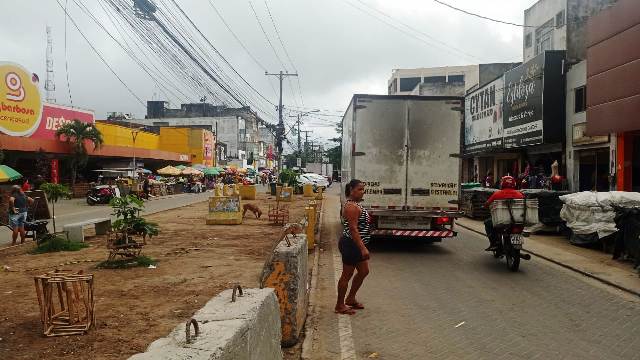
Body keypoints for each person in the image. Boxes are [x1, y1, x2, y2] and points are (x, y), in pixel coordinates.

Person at [335, 179, 371, 315]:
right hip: (351, 244)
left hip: (356, 244)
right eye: (359, 189)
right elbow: (353, 229)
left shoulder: (356, 205)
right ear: (351, 190)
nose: (362, 192)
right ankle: (339, 305)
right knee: (347, 275)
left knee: (364, 271)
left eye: (363, 189)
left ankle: (350, 298)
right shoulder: (351, 207)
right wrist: (362, 248)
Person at [483, 176, 524, 251]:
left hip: (501, 220)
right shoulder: (520, 194)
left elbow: (487, 204)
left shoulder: (497, 194)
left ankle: (494, 243)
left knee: (487, 223)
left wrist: (485, 206)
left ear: (502, 184)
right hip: (517, 220)